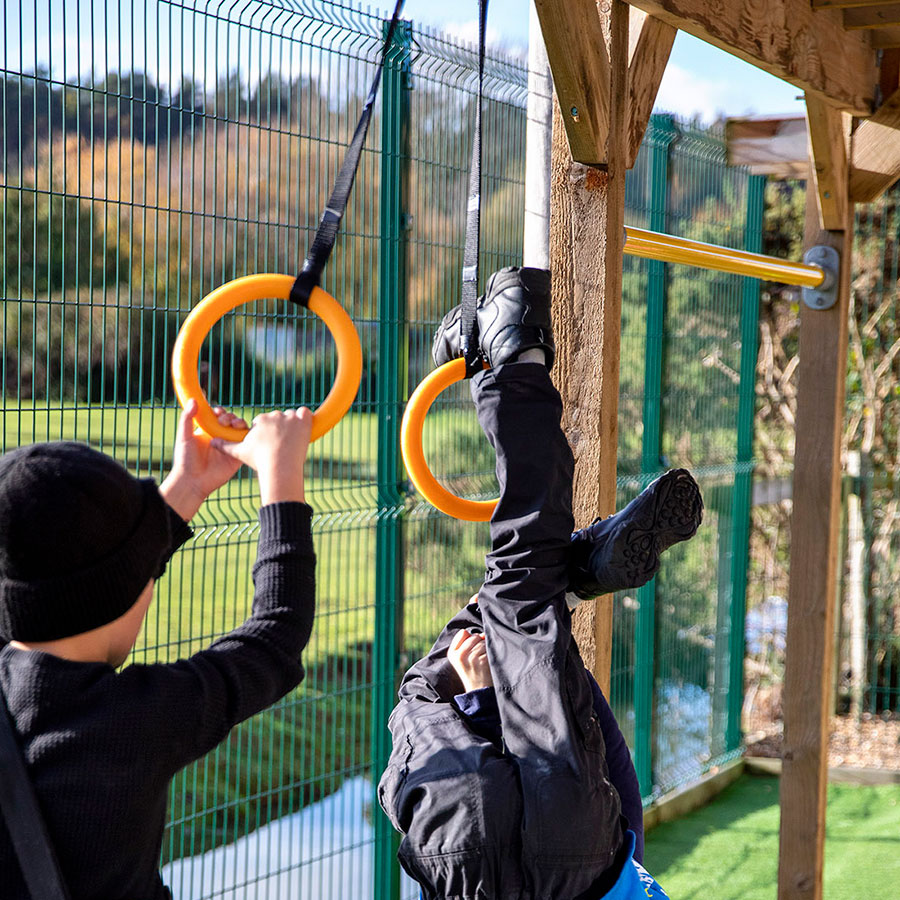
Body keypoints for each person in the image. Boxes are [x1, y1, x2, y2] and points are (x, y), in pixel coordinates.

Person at [378, 267, 703, 899]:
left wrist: (545, 636)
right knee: (433, 675)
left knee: (526, 599)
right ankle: (500, 356)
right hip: (466, 857)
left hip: (585, 847)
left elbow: (620, 793)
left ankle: (516, 353)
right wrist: (478, 702)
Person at [0, 399, 317, 900]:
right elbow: (276, 635)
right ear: (140, 589)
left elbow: (94, 582)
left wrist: (188, 487)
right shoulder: (134, 722)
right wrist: (282, 477)